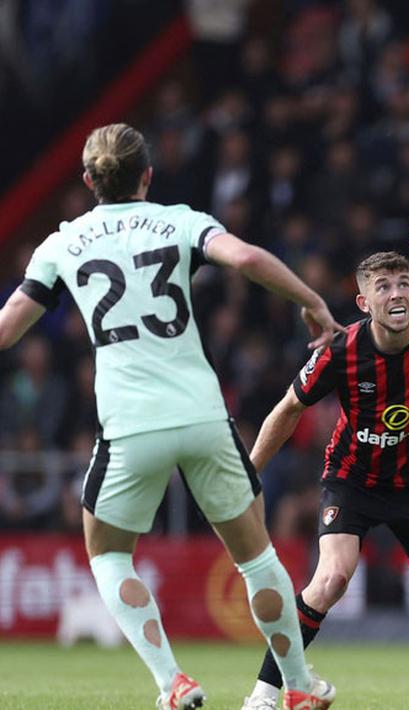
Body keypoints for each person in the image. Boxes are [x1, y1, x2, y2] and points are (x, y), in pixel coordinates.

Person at [0, 123, 339, 710]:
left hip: (130, 424)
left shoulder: (62, 243)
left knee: (107, 551)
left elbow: (6, 331)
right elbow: (249, 258)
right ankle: (300, 686)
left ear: (87, 181)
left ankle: (172, 681)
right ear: (147, 175)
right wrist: (311, 301)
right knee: (256, 554)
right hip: (204, 414)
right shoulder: (179, 220)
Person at [240, 251, 409, 710]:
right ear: (364, 302)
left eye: (403, 283)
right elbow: (287, 409)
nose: (396, 292)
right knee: (332, 579)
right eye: (383, 286)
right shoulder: (341, 349)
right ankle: (262, 695)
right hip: (353, 480)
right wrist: (247, 474)